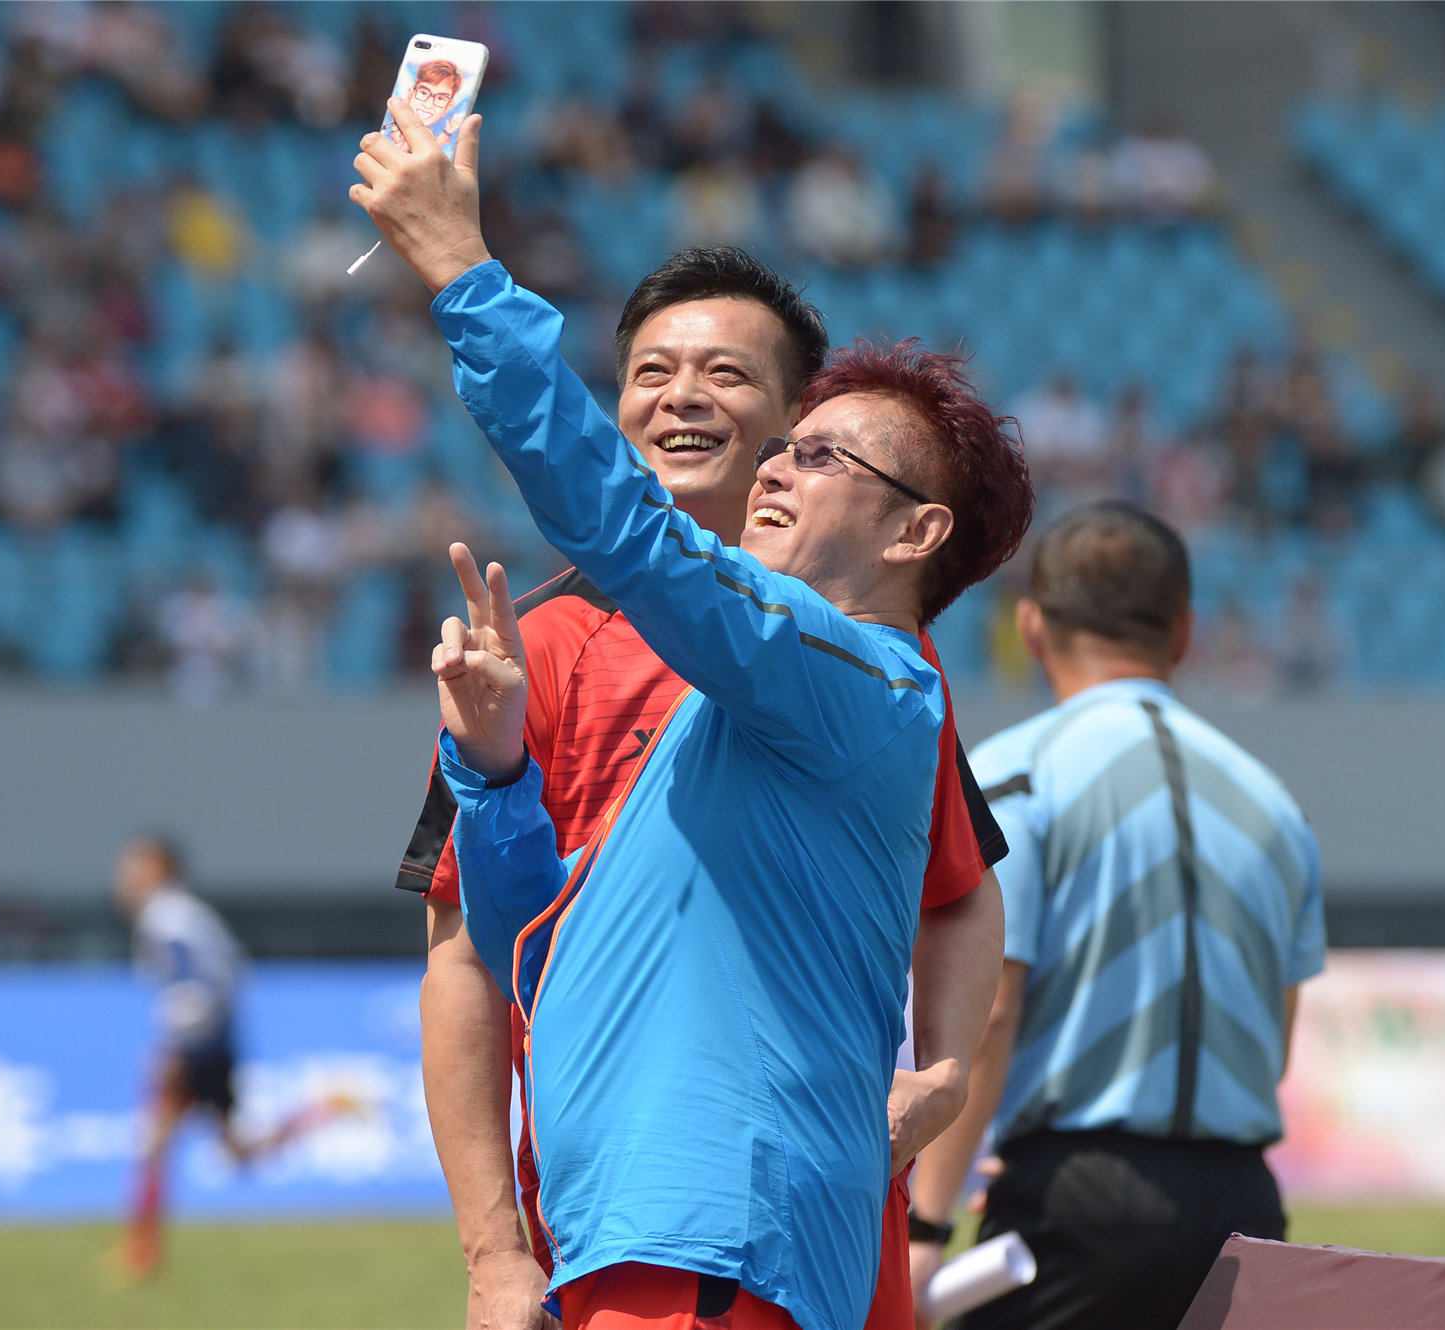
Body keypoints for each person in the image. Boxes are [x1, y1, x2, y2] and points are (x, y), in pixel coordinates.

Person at [353, 103, 1035, 1330]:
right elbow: (506, 941)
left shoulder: (858, 675)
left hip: (716, 1236)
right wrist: (496, 771)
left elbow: (964, 888)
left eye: (808, 449)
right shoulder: (619, 656)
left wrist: (462, 272)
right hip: (623, 1227)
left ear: (910, 532)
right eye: (650, 372)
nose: (770, 464)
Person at [908, 503, 1325, 1330]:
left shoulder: (1018, 776)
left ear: (1031, 627)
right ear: (1184, 633)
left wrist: (927, 1224)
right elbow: (1273, 1043)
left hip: (1076, 1203)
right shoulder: (1275, 806)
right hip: (1245, 1206)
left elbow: (992, 1010)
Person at [109, 834, 357, 1280]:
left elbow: (196, 987)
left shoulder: (164, 919)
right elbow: (227, 974)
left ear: (161, 870)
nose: (125, 877)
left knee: (152, 1145)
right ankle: (322, 1110)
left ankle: (141, 1253)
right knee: (236, 1150)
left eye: (136, 867)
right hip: (215, 1043)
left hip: (195, 1048)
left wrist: (177, 1045)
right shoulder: (189, 915)